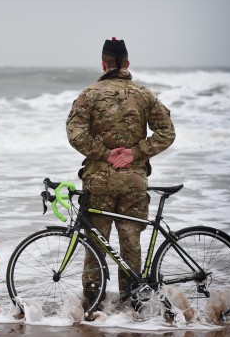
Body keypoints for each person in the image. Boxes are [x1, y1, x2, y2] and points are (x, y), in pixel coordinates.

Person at [66, 37, 176, 309]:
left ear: (104, 63)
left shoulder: (89, 94)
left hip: (99, 183)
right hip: (133, 182)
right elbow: (167, 132)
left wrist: (105, 153)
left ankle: (92, 306)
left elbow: (74, 133)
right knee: (130, 244)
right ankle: (132, 306)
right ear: (127, 62)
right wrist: (135, 153)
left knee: (95, 247)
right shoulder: (144, 94)